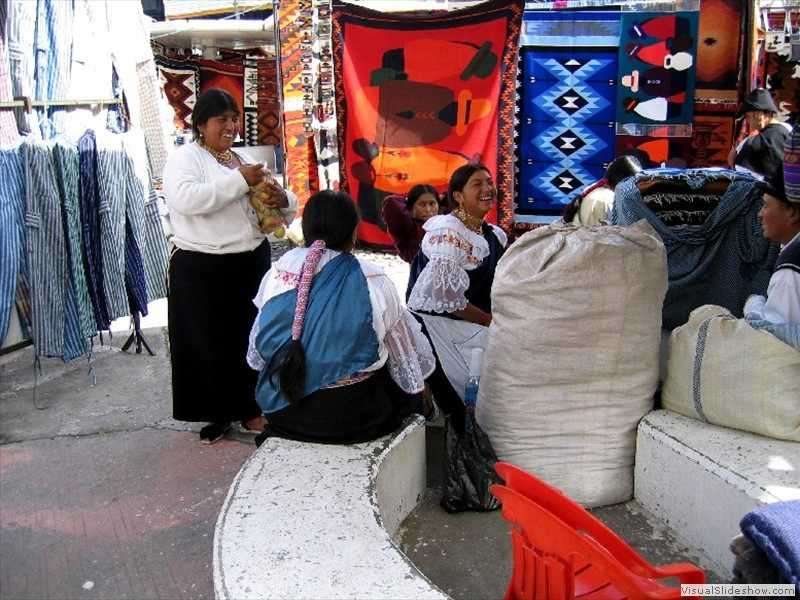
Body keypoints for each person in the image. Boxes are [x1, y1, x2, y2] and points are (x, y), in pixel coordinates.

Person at [247, 190, 436, 443]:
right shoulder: (373, 278)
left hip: (284, 411)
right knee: (398, 377)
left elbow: (257, 357)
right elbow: (405, 359)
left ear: (307, 229)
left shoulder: (279, 271)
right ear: (353, 232)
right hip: (354, 420)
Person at [163, 88, 297, 444]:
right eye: (221, 119)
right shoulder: (186, 159)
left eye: (234, 118)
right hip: (202, 265)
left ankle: (252, 408)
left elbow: (276, 201)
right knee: (207, 343)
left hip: (247, 260)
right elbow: (186, 199)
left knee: (248, 337)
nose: (230, 126)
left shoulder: (238, 159)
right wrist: (240, 181)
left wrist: (283, 199)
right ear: (201, 124)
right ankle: (217, 411)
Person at [406, 163, 508, 427]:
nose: (487, 189)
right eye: (477, 184)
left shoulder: (494, 235)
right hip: (439, 330)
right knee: (469, 408)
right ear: (458, 196)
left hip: (470, 328)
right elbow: (444, 297)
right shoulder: (448, 233)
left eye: (489, 182)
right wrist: (489, 321)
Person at [744, 138, 800, 346]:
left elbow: (777, 346)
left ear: (792, 212)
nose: (760, 214)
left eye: (766, 206)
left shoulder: (791, 269)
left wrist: (753, 307)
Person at [728, 88, 791, 181]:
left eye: (748, 117)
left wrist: (741, 136)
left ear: (759, 114)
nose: (748, 121)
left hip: (768, 193)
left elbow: (731, 161)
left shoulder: (753, 141)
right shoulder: (789, 130)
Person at [562, 155, 643, 226]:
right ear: (625, 180)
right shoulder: (605, 199)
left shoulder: (603, 193)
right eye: (634, 182)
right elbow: (602, 239)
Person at [382, 184, 443, 262]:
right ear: (411, 208)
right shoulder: (408, 226)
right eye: (422, 204)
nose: (428, 209)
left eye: (432, 204)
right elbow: (391, 202)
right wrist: (407, 201)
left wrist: (444, 198)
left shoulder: (444, 223)